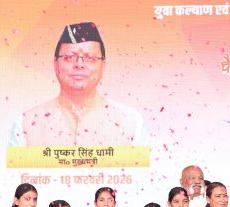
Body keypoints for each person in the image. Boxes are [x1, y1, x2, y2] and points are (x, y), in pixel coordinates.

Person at [10, 22, 144, 147]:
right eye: (69, 57)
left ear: (103, 66)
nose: (79, 65)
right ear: (56, 64)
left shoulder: (131, 123)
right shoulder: (25, 125)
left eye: (90, 58)